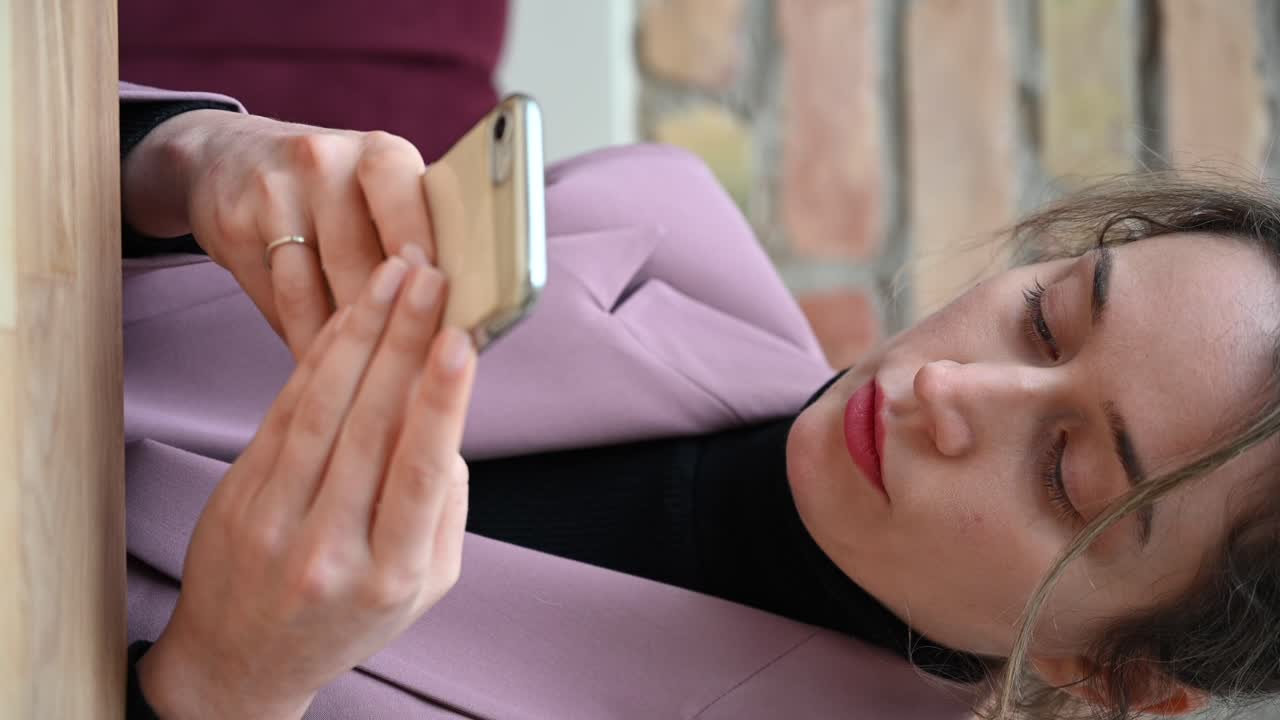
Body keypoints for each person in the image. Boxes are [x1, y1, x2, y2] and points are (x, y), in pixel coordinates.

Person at [119, 82, 1280, 720]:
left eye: (1064, 471)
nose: (943, 388)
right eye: (1045, 317)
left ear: (1116, 676)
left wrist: (227, 691)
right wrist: (177, 156)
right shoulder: (650, 221)